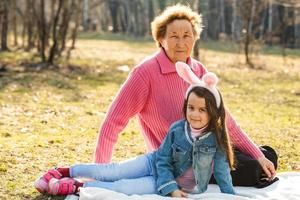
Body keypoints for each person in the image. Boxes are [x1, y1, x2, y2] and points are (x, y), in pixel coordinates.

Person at [94, 4, 276, 186]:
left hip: (211, 147)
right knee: (255, 171)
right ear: (161, 38)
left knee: (268, 155)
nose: (181, 43)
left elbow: (225, 120)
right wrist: (99, 172)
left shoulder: (197, 69)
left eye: (187, 36)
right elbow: (112, 123)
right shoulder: (145, 73)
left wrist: (258, 155)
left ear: (195, 38)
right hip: (182, 164)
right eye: (174, 36)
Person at [34, 64, 235, 197]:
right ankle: (63, 171)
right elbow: (163, 159)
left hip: (162, 182)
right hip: (153, 163)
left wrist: (229, 194)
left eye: (202, 110)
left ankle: (79, 187)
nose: (195, 114)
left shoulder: (215, 140)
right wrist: (171, 188)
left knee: (123, 188)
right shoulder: (177, 130)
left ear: (213, 113)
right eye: (191, 108)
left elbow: (221, 170)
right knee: (114, 171)